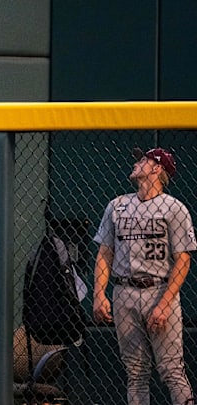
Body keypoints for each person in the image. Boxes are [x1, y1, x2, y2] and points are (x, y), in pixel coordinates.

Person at [93, 147, 197, 405]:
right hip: (124, 292)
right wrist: (99, 295)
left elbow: (183, 260)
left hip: (160, 291)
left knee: (172, 369)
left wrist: (163, 305)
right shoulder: (117, 205)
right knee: (136, 372)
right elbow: (105, 253)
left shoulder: (174, 208)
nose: (137, 163)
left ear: (156, 168)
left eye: (143, 160)